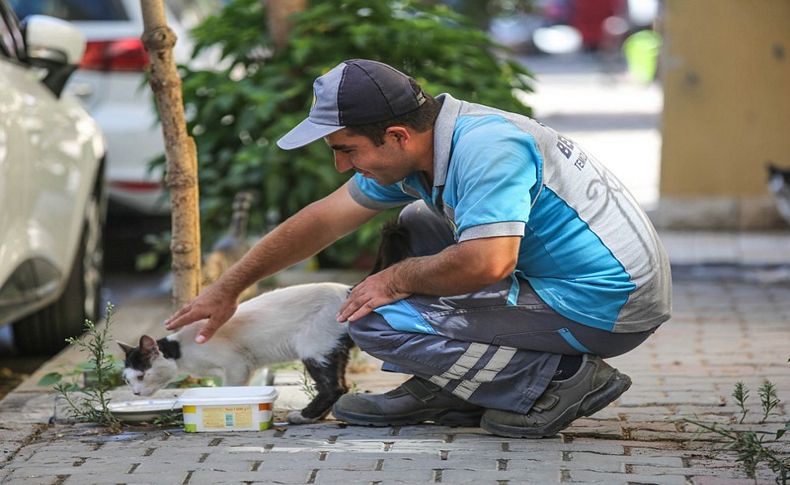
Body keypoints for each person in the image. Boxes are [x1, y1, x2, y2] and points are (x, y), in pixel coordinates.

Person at [164, 59, 672, 438]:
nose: (342, 166)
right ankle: (460, 380)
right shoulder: (427, 150)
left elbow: (488, 262)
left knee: (368, 318)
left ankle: (557, 379)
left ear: (396, 135)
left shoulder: (486, 148)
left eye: (346, 150)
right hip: (576, 284)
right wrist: (228, 289)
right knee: (415, 222)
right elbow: (323, 219)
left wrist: (392, 280)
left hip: (606, 306)